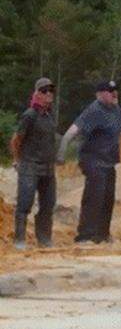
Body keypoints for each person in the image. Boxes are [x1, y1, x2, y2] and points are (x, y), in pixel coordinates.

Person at [57, 80, 121, 244]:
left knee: (108, 197)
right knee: (95, 196)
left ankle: (102, 235)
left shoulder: (115, 109)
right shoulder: (94, 111)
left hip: (109, 161)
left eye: (115, 90)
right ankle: (85, 236)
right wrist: (61, 154)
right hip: (92, 159)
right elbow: (71, 132)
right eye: (110, 91)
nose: (114, 94)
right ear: (100, 94)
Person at [10, 78, 58, 250]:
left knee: (48, 203)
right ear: (37, 93)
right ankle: (20, 240)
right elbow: (16, 139)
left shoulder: (49, 116)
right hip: (30, 165)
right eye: (45, 90)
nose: (49, 94)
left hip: (48, 167)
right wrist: (17, 160)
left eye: (51, 90)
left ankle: (44, 239)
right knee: (25, 203)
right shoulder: (30, 115)